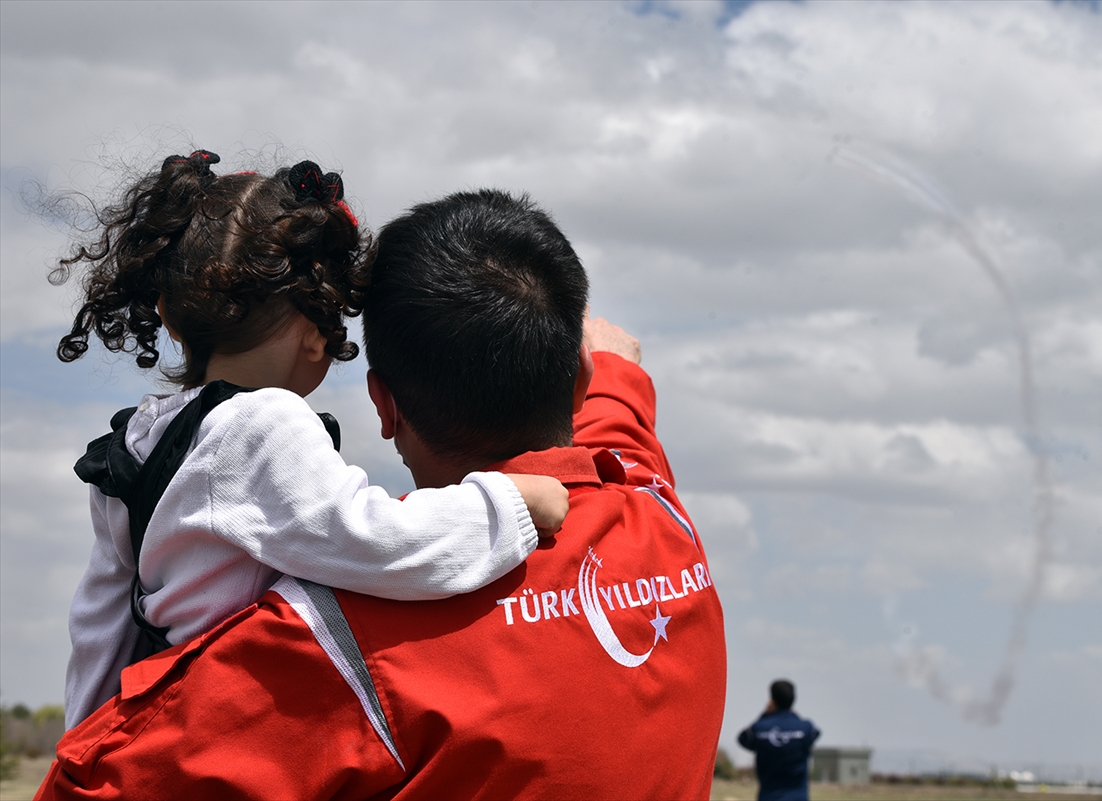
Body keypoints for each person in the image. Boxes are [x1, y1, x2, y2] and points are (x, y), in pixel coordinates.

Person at [36, 188, 728, 800]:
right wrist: (612, 374)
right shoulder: (653, 504)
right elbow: (618, 432)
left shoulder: (337, 640)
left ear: (383, 406)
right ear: (579, 381)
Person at [52, 152, 568, 728]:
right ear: (317, 338)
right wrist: (508, 507)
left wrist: (86, 747)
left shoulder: (139, 442)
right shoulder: (263, 424)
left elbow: (99, 623)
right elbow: (378, 544)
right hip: (246, 719)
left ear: (170, 315)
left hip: (173, 724)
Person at [737, 680, 822, 801]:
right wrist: (792, 714)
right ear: (794, 699)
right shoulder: (805, 728)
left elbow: (743, 738)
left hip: (768, 796)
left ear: (772, 700)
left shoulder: (759, 729)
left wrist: (765, 714)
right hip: (798, 796)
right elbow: (815, 734)